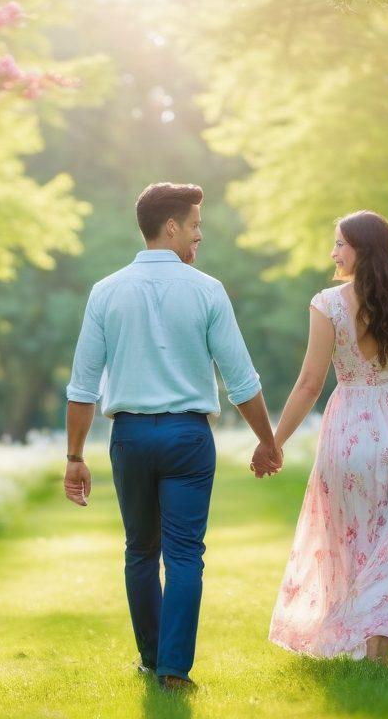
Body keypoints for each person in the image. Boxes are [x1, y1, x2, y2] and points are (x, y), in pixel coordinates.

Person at [63, 182, 281, 691]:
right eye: (196, 225)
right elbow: (241, 380)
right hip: (187, 437)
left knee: (140, 550)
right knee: (184, 554)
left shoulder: (106, 291)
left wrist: (74, 456)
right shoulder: (206, 290)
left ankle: (150, 656)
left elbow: (83, 385)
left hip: (131, 436)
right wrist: (267, 441)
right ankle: (173, 669)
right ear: (171, 227)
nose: (200, 235)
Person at [267, 210, 388, 665]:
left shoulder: (328, 304)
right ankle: (378, 639)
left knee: (349, 535)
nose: (333, 252)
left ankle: (360, 639)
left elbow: (309, 384)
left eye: (340, 244)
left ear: (363, 249)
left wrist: (275, 441)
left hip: (349, 431)